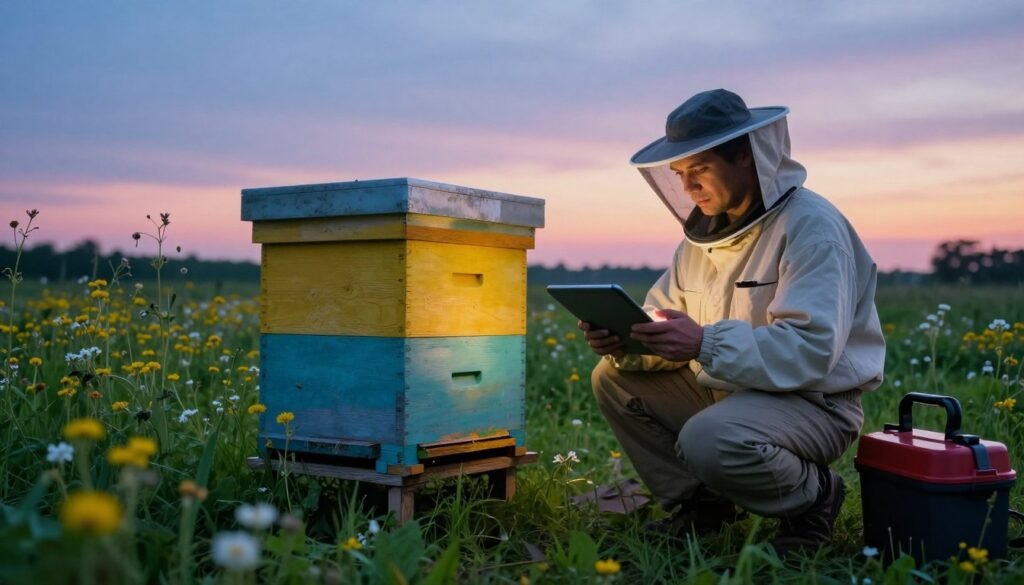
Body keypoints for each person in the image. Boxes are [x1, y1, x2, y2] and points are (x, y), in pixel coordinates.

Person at [580, 88, 885, 555]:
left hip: (815, 404)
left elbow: (810, 349)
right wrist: (626, 340)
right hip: (731, 391)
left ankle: (813, 499)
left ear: (747, 156)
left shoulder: (812, 228)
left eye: (699, 169)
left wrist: (703, 343)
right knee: (613, 379)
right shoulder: (698, 243)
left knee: (710, 437)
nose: (688, 187)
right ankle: (704, 506)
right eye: (679, 173)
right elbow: (665, 323)